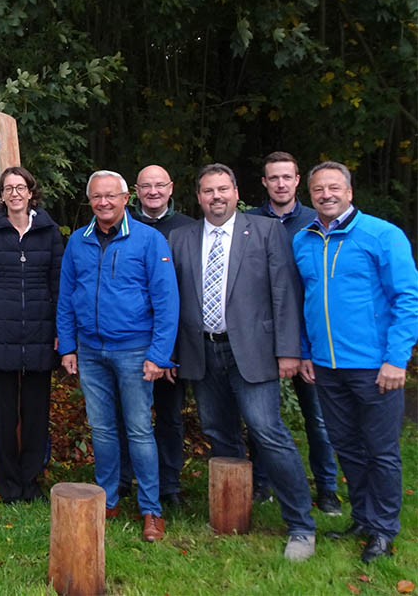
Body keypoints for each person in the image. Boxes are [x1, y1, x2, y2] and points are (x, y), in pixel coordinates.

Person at [167, 163, 317, 562]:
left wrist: (290, 350)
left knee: (267, 431)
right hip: (201, 350)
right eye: (207, 191)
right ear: (197, 197)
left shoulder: (265, 231)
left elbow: (284, 292)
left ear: (236, 192)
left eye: (223, 189)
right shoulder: (182, 238)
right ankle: (233, 510)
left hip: (252, 350)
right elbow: (169, 301)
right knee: (220, 432)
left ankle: (301, 525)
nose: (216, 197)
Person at [292, 161, 418, 563]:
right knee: (346, 446)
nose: (326, 195)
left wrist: (397, 359)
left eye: (333, 187)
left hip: (375, 367)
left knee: (381, 451)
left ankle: (383, 530)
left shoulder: (382, 235)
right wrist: (307, 351)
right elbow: (306, 301)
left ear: (349, 191)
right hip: (327, 366)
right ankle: (362, 517)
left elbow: (406, 299)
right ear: (310, 196)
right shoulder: (304, 240)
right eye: (318, 190)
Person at [56, 170, 178, 543]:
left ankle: (151, 510)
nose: (104, 203)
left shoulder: (148, 240)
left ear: (127, 198)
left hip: (135, 351)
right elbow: (65, 297)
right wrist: (67, 346)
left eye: (111, 196)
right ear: (89, 200)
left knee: (140, 431)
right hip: (91, 351)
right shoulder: (78, 241)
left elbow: (167, 301)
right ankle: (106, 497)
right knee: (103, 430)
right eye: (97, 197)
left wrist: (159, 354)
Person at [245, 151, 340, 514]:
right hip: (259, 334)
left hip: (308, 336)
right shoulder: (248, 221)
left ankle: (327, 488)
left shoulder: (314, 221)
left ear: (297, 180)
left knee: (317, 418)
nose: (281, 184)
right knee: (260, 416)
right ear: (265, 183)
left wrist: (305, 347)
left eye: (287, 177)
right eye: (273, 178)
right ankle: (261, 483)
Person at [0, 166, 63, 504]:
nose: (15, 194)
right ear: (1, 195)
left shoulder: (49, 232)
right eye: (8, 188)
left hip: (41, 331)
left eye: (20, 187)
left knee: (37, 415)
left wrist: (61, 333)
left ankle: (31, 482)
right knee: (3, 416)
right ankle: (8, 484)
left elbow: (59, 285)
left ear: (30, 192)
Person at [118, 164, 195, 507]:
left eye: (159, 185)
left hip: (169, 346)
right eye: (146, 186)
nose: (153, 192)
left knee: (168, 417)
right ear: (135, 191)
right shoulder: (120, 227)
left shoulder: (188, 229)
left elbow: (188, 295)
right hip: (127, 342)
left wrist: (172, 351)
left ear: (171, 188)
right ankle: (123, 479)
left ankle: (169, 485)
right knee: (126, 416)